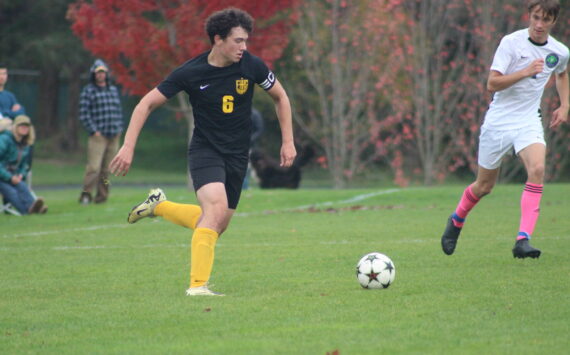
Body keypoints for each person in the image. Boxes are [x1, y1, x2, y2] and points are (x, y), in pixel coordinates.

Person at [109, 8, 296, 296]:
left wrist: (288, 141)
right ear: (218, 40)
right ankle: (198, 287)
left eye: (246, 41)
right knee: (215, 210)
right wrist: (128, 145)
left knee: (216, 224)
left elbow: (280, 97)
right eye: (237, 41)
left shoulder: (252, 66)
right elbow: (145, 104)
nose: (243, 47)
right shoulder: (190, 72)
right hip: (206, 150)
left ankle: (159, 206)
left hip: (237, 155)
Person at [441, 0, 568, 259]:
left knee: (538, 169)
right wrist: (524, 72)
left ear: (554, 21)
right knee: (484, 186)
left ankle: (523, 240)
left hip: (528, 121)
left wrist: (565, 105)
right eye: (535, 18)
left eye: (545, 20)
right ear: (529, 16)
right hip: (498, 122)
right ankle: (456, 220)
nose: (539, 25)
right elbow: (492, 83)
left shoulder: (560, 51)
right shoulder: (511, 43)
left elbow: (562, 73)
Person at [78, 59, 124, 205]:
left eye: (103, 72)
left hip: (113, 134)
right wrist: (93, 130)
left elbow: (118, 111)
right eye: (98, 72)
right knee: (94, 168)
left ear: (106, 74)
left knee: (107, 170)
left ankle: (102, 196)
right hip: (99, 136)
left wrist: (119, 128)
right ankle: (86, 194)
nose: (101, 75)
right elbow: (84, 113)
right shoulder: (88, 90)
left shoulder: (112, 89)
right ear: (94, 74)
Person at [0, 115, 47, 215]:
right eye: (21, 126)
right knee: (11, 192)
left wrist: (21, 174)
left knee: (22, 186)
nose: (24, 128)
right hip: (2, 175)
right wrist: (10, 177)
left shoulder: (25, 144)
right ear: (15, 127)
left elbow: (24, 165)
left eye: (27, 126)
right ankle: (27, 211)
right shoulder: (4, 139)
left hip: (12, 175)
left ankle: (34, 208)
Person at [0, 63, 26, 131]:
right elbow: (1, 115)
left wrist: (6, 113)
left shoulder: (10, 96)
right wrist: (12, 112)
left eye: (4, 74)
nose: (2, 77)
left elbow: (21, 111)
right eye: (0, 74)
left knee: (25, 122)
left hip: (11, 126)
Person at [242, 107, 264, 189]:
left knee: (247, 167)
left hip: (250, 147)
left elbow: (259, 129)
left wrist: (249, 140)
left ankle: (244, 186)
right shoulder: (238, 111)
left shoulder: (255, 114)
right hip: (236, 145)